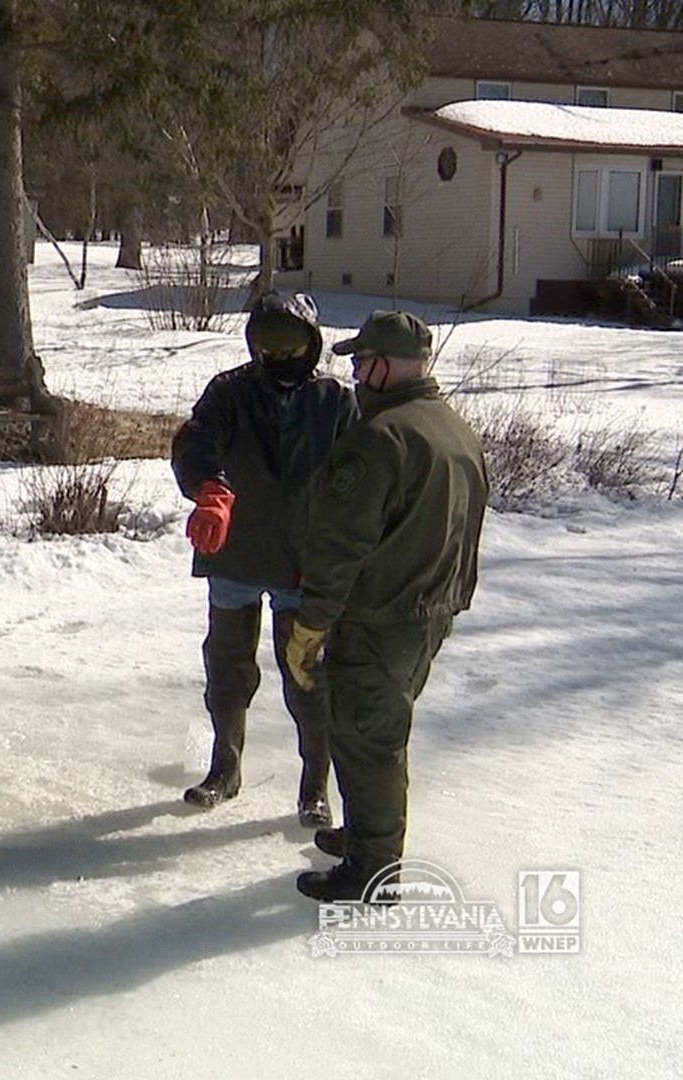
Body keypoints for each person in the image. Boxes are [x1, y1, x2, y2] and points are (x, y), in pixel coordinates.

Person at [283, 310, 488, 903]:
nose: (353, 373)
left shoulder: (381, 440)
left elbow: (340, 546)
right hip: (429, 614)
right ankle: (367, 834)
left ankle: (373, 871)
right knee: (368, 731)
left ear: (385, 365)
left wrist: (312, 623)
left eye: (360, 361)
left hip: (380, 618)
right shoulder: (454, 429)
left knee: (369, 737)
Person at [170, 291, 357, 828]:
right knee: (227, 666)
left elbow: (361, 476)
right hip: (236, 554)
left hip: (304, 560)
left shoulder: (336, 402)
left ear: (312, 343)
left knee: (307, 675)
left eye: (290, 342)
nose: (279, 356)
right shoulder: (229, 392)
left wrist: (349, 536)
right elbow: (195, 443)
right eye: (267, 343)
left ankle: (314, 786)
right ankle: (224, 768)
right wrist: (210, 489)